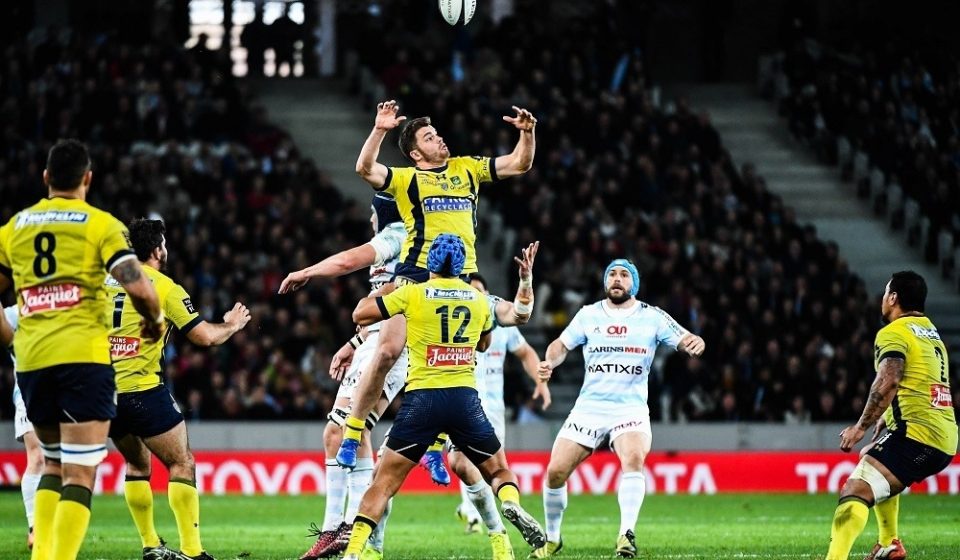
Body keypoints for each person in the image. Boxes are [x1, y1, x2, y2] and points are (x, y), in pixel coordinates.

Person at [338, 99, 537, 480]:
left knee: (459, 361)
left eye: (438, 133)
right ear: (416, 153)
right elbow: (364, 168)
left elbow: (519, 163)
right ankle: (352, 432)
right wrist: (380, 129)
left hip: (463, 278)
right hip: (417, 274)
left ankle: (433, 446)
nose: (439, 138)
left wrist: (527, 134)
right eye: (430, 137)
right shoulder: (408, 178)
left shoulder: (467, 169)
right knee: (388, 352)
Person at [0, 139, 163, 560]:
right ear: (87, 179)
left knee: (51, 463)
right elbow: (139, 284)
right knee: (80, 471)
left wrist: (6, 334)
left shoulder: (14, 227)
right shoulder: (100, 225)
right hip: (83, 358)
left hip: (32, 361)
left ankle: (44, 555)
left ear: (46, 179)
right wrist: (155, 320)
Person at [340, 234, 546, 560]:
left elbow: (360, 315)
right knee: (499, 472)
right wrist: (525, 280)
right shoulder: (480, 299)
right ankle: (510, 503)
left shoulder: (412, 294)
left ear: (429, 263)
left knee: (382, 483)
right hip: (465, 401)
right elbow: (520, 314)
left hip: (422, 402)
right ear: (462, 265)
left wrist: (390, 287)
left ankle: (354, 552)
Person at [532, 259, 706, 559]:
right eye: (612, 273)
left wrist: (694, 341)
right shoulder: (588, 315)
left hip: (630, 409)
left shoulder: (651, 316)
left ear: (633, 284)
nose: (617, 278)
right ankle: (552, 538)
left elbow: (684, 336)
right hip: (590, 407)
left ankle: (626, 535)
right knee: (555, 472)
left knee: (634, 459)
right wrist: (549, 362)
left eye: (624, 275)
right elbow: (560, 346)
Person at [105, 219, 251, 560]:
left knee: (137, 465)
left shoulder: (103, 283)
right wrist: (232, 324)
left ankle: (151, 545)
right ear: (158, 250)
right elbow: (205, 337)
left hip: (104, 394)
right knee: (181, 462)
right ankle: (192, 551)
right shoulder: (164, 287)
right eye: (164, 244)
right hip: (141, 389)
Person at [279, 194, 408, 560]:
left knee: (345, 429)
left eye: (372, 212)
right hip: (377, 339)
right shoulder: (401, 245)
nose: (370, 219)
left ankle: (345, 527)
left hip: (394, 343)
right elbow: (380, 302)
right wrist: (354, 341)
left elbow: (350, 260)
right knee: (343, 432)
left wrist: (306, 272)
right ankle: (343, 529)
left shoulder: (397, 233)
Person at [826, 271, 956, 560]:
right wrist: (888, 417)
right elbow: (919, 382)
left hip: (920, 436)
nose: (882, 299)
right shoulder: (930, 332)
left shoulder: (893, 332)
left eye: (886, 293)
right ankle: (889, 544)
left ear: (894, 297)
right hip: (941, 434)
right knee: (873, 458)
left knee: (855, 490)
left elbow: (889, 380)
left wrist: (860, 427)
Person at [453, 272, 550, 534]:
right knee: (463, 459)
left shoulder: (503, 327)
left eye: (481, 291)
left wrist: (539, 382)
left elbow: (526, 352)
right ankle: (473, 514)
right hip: (465, 399)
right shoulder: (456, 323)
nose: (478, 296)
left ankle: (474, 509)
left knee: (492, 464)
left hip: (495, 405)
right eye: (472, 291)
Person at [4, 305, 43, 551]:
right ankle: (34, 529)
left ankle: (50, 524)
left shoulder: (64, 302)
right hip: (29, 391)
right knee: (37, 457)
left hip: (66, 392)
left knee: (59, 463)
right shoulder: (17, 311)